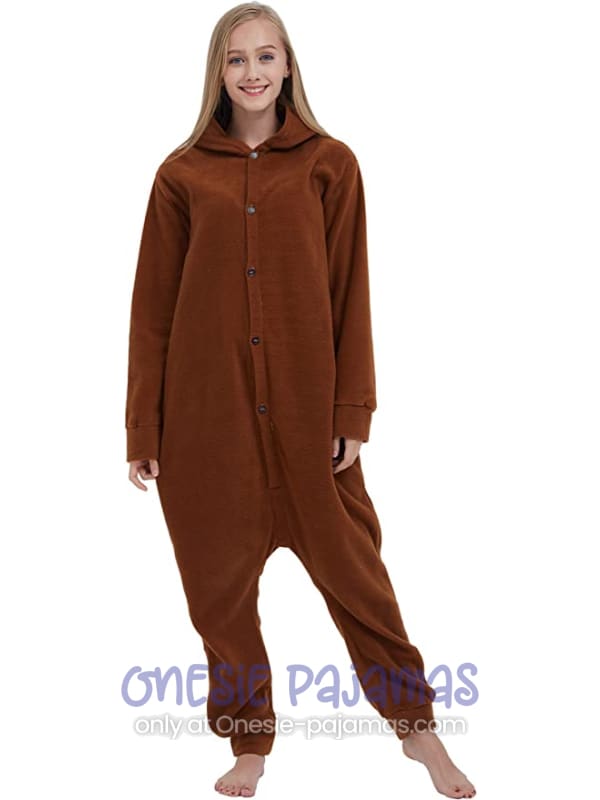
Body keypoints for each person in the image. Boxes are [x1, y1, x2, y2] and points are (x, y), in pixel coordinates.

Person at [125, 3, 476, 798]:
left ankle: (418, 731)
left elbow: (352, 292)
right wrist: (145, 426)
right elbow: (152, 310)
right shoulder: (181, 175)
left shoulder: (330, 164)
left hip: (309, 424)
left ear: (288, 66)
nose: (251, 72)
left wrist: (352, 413)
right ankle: (248, 743)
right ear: (217, 73)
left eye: (265, 56)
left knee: (360, 582)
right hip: (206, 430)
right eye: (235, 59)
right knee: (218, 598)